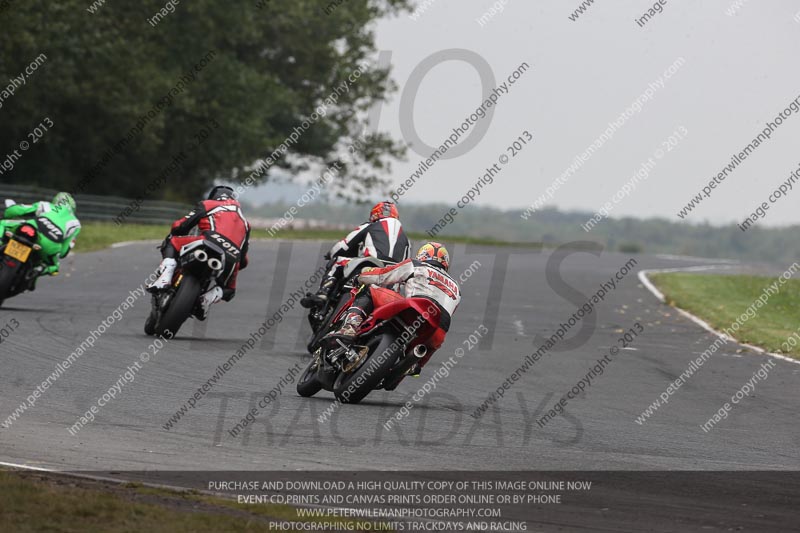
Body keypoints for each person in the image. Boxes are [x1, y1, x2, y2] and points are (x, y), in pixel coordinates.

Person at [329, 242, 461, 376]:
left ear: (422, 255)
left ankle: (350, 326)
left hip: (414, 308)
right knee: (424, 353)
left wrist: (360, 278)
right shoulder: (456, 288)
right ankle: (409, 366)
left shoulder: (417, 264)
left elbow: (382, 276)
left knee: (371, 290)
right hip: (437, 328)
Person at [147, 185, 250, 319]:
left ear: (214, 196)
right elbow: (243, 260)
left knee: (172, 241)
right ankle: (207, 298)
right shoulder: (246, 223)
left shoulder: (208, 204)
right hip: (231, 257)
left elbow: (180, 226)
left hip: (207, 243)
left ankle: (165, 278)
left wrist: (178, 231)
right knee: (229, 291)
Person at [300, 201, 410, 309]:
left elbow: (344, 245)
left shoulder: (370, 225)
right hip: (392, 277)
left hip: (371, 266)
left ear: (375, 214)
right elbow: (406, 262)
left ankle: (322, 294)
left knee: (338, 261)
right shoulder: (406, 239)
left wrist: (330, 254)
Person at [0, 192, 81, 290]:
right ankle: (36, 272)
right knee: (54, 268)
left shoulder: (46, 205)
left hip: (31, 228)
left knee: (2, 224)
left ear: (55, 201)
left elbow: (16, 211)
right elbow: (64, 252)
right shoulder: (76, 224)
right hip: (49, 246)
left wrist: (9, 210)